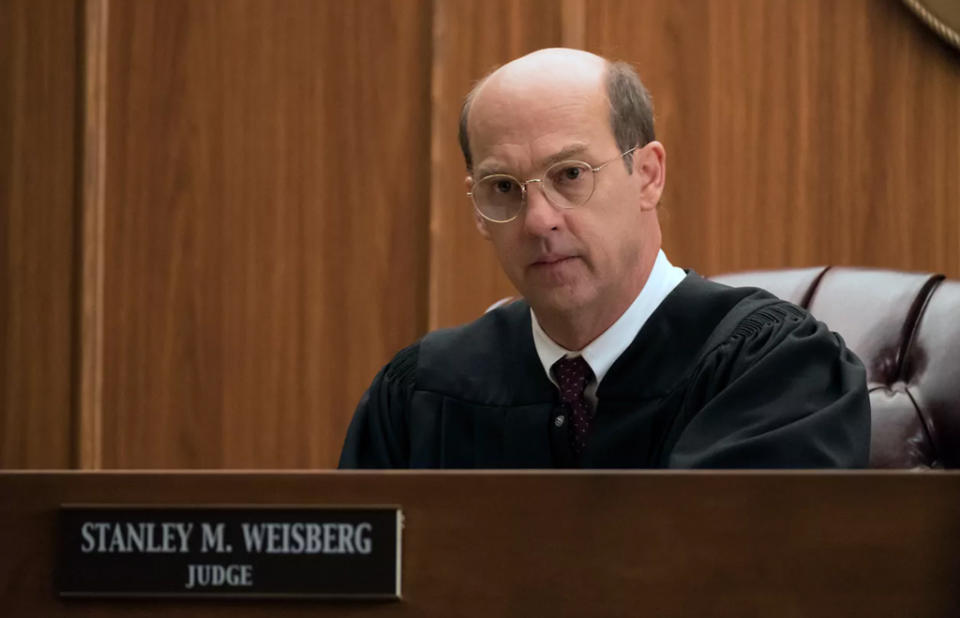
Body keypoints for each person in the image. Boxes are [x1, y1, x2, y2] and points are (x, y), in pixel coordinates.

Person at [339, 48, 870, 469]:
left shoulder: (775, 370)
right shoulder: (422, 393)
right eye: (503, 186)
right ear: (477, 209)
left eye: (570, 174)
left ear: (648, 175)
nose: (538, 220)